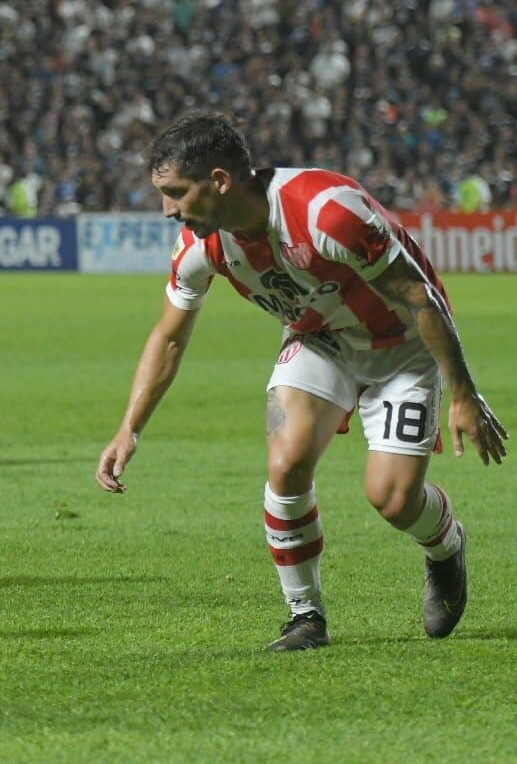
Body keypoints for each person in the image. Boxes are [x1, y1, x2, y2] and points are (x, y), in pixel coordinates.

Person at [95, 111, 507, 651]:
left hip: (402, 346)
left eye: (176, 193)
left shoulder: (325, 212)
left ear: (220, 181)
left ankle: (446, 544)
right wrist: (130, 429)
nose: (168, 210)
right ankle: (305, 616)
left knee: (392, 499)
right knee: (286, 461)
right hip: (320, 339)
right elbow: (170, 337)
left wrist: (463, 394)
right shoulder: (201, 247)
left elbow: (417, 296)